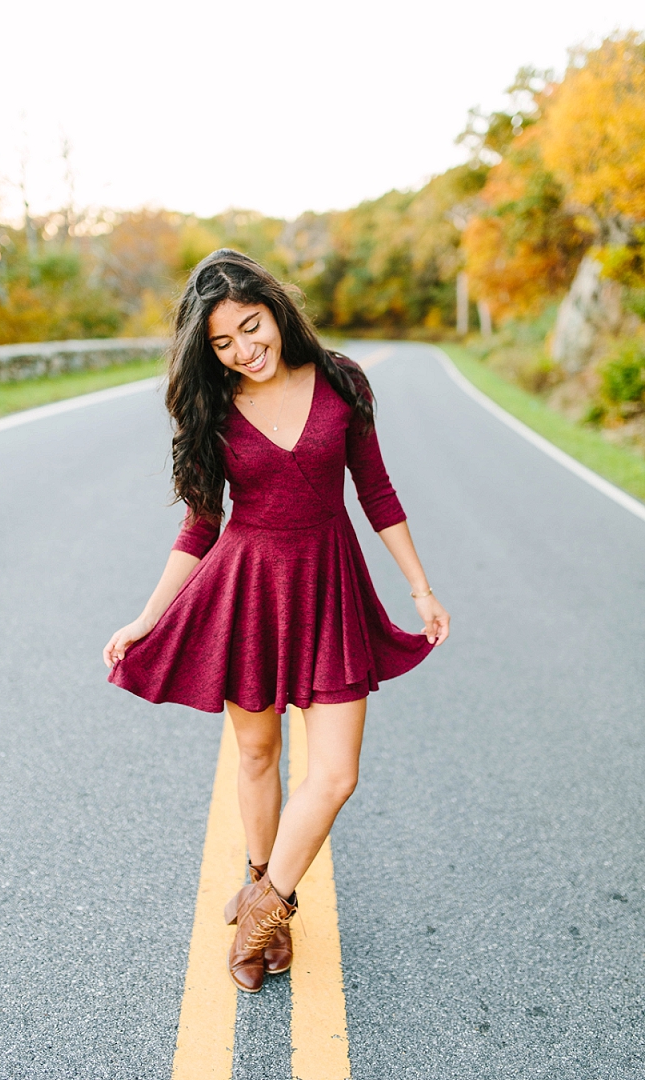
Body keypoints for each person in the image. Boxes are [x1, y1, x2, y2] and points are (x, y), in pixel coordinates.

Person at [103, 249, 450, 993]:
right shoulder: (213, 407)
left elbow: (376, 490)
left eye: (251, 329)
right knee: (258, 755)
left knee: (334, 774)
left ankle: (263, 910)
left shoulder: (341, 379)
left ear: (276, 309)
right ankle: (266, 887)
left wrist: (419, 588)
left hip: (330, 583)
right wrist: (145, 616)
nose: (243, 351)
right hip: (249, 588)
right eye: (222, 345)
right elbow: (201, 527)